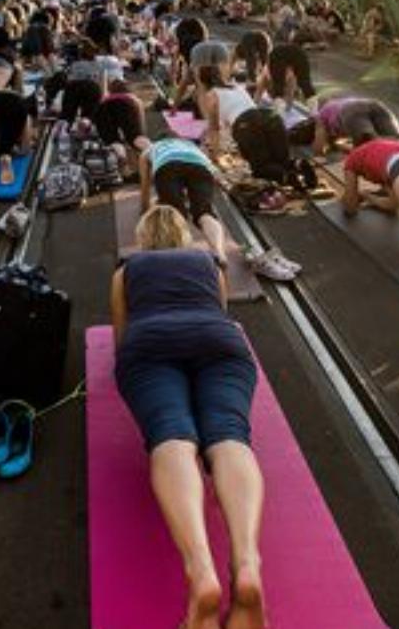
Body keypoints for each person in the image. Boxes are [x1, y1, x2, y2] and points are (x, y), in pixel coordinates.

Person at [110, 205, 266, 629]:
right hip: (219, 343)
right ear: (183, 236)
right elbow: (220, 312)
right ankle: (247, 564)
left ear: (143, 239)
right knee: (229, 435)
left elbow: (122, 339)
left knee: (172, 436)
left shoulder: (127, 271)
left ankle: (201, 572)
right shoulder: (207, 262)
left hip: (150, 346)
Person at [138, 138, 233, 268]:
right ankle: (219, 253)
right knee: (204, 213)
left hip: (167, 166)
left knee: (175, 214)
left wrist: (144, 211)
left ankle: (183, 257)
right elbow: (212, 168)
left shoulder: (149, 150)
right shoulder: (190, 145)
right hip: (200, 167)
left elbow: (145, 185)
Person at [311, 96, 399, 155]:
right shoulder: (340, 103)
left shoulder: (321, 114)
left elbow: (319, 142)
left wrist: (317, 154)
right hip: (374, 104)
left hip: (350, 111)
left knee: (370, 144)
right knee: (398, 139)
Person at [198, 66, 257, 156]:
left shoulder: (211, 95)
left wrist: (215, 156)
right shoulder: (236, 86)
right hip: (259, 118)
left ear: (203, 83)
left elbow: (215, 129)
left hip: (245, 128)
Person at [264, 42, 316, 107]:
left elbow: (288, 89)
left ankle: (279, 109)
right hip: (299, 54)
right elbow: (290, 91)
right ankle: (314, 111)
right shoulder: (285, 74)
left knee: (278, 88)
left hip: (281, 56)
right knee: (305, 84)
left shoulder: (270, 70)